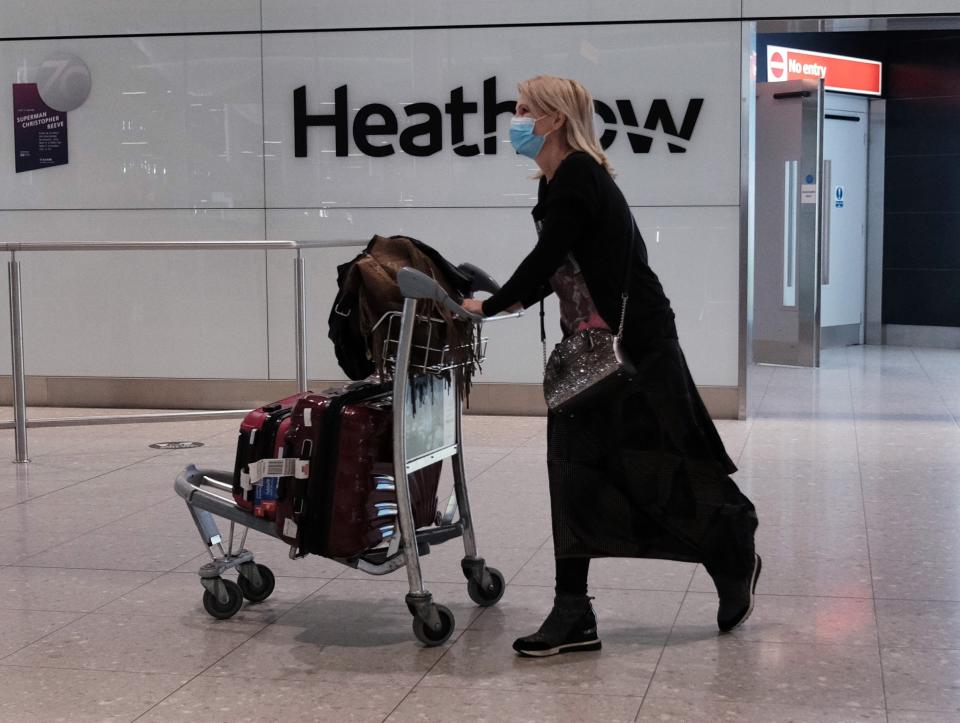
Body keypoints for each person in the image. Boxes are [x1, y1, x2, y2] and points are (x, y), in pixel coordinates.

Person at [461, 75, 761, 658]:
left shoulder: (577, 174)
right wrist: (507, 299)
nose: (514, 120)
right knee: (573, 470)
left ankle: (732, 543)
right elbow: (565, 267)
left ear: (552, 119)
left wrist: (493, 305)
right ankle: (573, 611)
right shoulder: (554, 185)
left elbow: (548, 257)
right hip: (590, 356)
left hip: (637, 349)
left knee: (670, 462)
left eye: (524, 110)